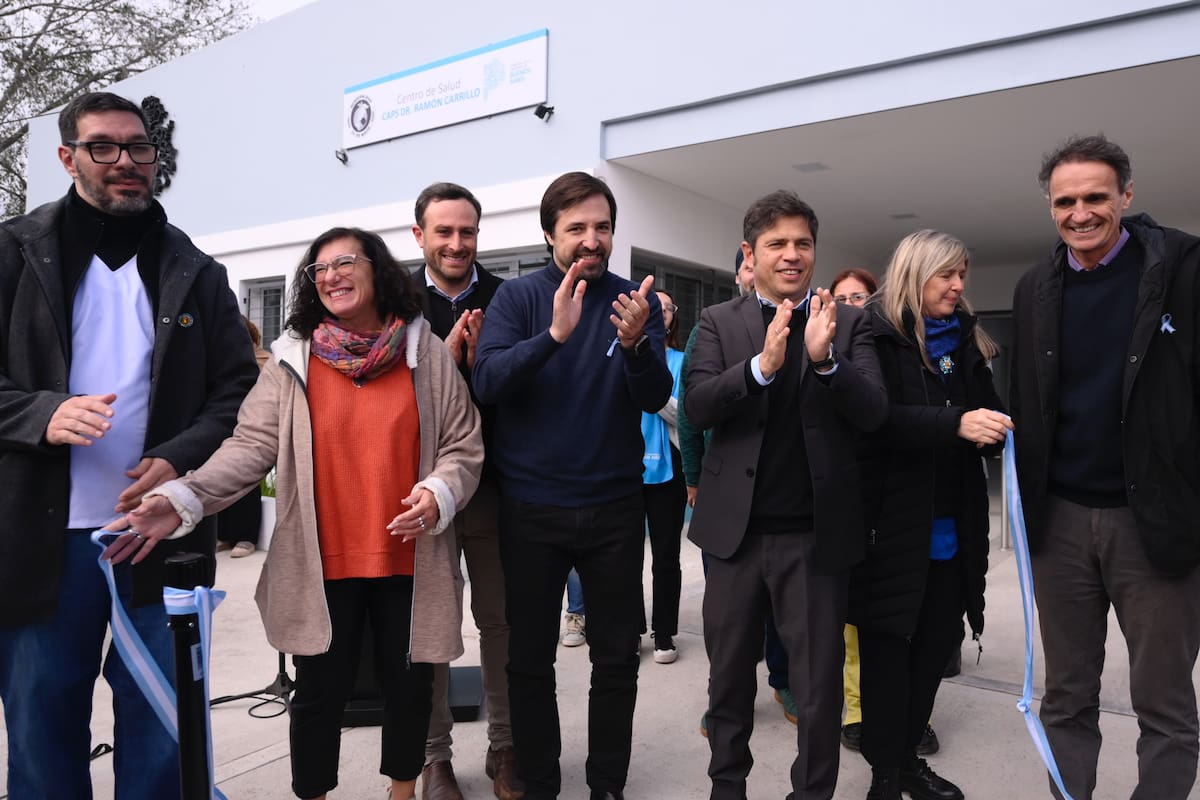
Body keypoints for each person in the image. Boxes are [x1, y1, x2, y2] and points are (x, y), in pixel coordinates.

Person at [108, 227, 483, 800]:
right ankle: (313, 794)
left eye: (344, 262)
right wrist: (185, 495)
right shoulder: (291, 361)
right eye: (318, 269)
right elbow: (247, 447)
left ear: (378, 271)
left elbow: (462, 444)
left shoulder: (423, 350)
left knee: (409, 688)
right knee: (317, 695)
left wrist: (437, 491)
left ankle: (402, 790)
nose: (329, 275)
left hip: (409, 558)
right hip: (321, 561)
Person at [0, 91, 258, 800]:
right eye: (103, 148)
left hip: (158, 535)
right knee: (41, 729)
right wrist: (40, 414)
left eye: (139, 148)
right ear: (68, 157)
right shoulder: (12, 252)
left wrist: (179, 457)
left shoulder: (195, 269)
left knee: (162, 733)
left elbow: (237, 389)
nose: (125, 162)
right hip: (39, 543)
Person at [1011, 134, 1200, 800]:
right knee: (1066, 697)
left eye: (1096, 197)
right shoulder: (1035, 286)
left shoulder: (1184, 271)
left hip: (1156, 523)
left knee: (1166, 704)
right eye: (1065, 201)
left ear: (1126, 195)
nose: (1080, 213)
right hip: (1060, 523)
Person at [473, 171, 673, 800]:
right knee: (530, 663)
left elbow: (657, 396)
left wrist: (639, 343)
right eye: (577, 228)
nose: (592, 240)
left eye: (603, 227)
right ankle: (540, 780)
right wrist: (555, 336)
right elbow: (489, 382)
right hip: (531, 512)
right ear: (549, 235)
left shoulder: (633, 301)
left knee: (616, 660)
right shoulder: (519, 300)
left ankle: (607, 782)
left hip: (614, 508)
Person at [685, 190, 886, 800]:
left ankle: (813, 792)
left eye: (803, 243)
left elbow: (875, 411)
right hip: (734, 537)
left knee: (818, 685)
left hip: (815, 538)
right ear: (752, 253)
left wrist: (825, 363)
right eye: (777, 244)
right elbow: (696, 406)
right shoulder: (719, 321)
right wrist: (760, 368)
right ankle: (728, 788)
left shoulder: (848, 323)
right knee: (727, 682)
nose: (792, 255)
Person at [852, 231, 1009, 800]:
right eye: (946, 275)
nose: (958, 286)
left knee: (933, 659)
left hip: (953, 529)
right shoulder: (872, 333)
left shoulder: (964, 338)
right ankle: (883, 777)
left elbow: (984, 409)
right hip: (892, 528)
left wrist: (994, 432)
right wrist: (956, 424)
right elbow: (874, 419)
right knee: (888, 660)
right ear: (915, 275)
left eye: (962, 274)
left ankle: (908, 761)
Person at [410, 181, 521, 800]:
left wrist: (488, 369)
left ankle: (504, 745)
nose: (457, 243)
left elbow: (528, 392)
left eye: (467, 232)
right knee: (430, 628)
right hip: (422, 494)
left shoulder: (509, 300)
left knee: (499, 624)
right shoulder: (394, 306)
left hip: (496, 488)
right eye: (444, 232)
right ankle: (435, 759)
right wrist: (442, 367)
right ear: (419, 235)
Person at [680, 249, 797, 737]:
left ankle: (783, 679)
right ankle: (724, 695)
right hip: (723, 492)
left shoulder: (798, 323)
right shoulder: (712, 327)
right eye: (749, 268)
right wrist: (693, 477)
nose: (757, 275)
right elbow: (691, 411)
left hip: (780, 497)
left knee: (779, 609)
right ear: (741, 273)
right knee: (727, 616)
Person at [641, 288, 687, 664]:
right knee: (621, 556)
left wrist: (652, 395)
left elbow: (684, 415)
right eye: (653, 306)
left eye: (666, 307)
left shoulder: (683, 361)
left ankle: (664, 632)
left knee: (666, 555)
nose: (660, 312)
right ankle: (628, 628)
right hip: (623, 464)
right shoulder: (623, 353)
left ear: (674, 316)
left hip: (669, 467)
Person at [217, 315, 272, 559]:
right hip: (225, 427)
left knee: (246, 485)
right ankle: (224, 535)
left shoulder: (265, 361)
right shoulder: (226, 361)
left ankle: (246, 538)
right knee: (220, 479)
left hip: (252, 430)